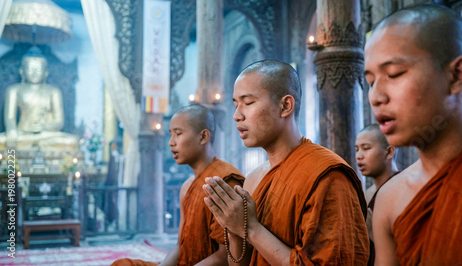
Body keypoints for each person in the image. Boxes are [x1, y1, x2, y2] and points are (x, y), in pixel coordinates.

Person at [364, 4, 462, 266]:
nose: (375, 97)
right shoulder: (390, 198)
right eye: (371, 81)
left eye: (394, 74)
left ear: (457, 75)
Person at [203, 59, 369, 265]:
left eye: (248, 103)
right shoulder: (254, 178)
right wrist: (234, 228)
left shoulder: (327, 176)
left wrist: (252, 229)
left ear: (285, 106)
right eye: (236, 105)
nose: (237, 116)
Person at [112, 104, 245, 266]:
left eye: (178, 134)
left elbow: (226, 255)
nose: (171, 143)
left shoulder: (224, 181)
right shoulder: (187, 187)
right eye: (171, 135)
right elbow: (180, 246)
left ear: (203, 137)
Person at [0, 46, 79, 150]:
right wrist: (11, 130)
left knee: (72, 141)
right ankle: (11, 163)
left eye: (38, 69)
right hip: (22, 134)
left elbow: (59, 122)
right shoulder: (14, 90)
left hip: (46, 135)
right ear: (22, 71)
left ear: (46, 72)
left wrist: (44, 127)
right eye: (30, 69)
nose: (34, 73)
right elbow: (10, 117)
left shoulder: (53, 91)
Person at [355, 123, 397, 265]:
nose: (359, 156)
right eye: (357, 149)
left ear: (389, 152)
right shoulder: (367, 196)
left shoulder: (403, 189)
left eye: (366, 148)